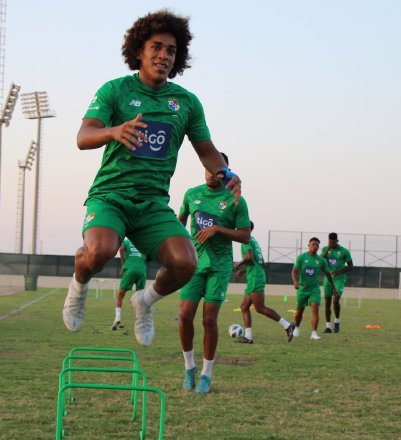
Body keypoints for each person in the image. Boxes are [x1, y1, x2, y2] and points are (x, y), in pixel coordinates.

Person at [62, 10, 241, 348]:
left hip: (153, 204)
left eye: (171, 51)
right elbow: (83, 137)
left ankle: (143, 302)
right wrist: (115, 131)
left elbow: (206, 149)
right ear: (139, 52)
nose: (163, 56)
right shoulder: (115, 90)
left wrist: (226, 173)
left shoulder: (186, 102)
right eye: (156, 47)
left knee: (185, 262)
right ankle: (78, 285)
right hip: (111, 196)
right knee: (100, 250)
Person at [177, 152, 250, 393]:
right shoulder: (191, 194)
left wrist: (218, 229)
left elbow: (244, 235)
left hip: (219, 266)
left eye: (217, 170)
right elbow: (179, 222)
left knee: (209, 319)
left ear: (226, 171)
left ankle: (206, 374)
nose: (211, 173)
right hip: (194, 263)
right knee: (185, 315)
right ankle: (189, 368)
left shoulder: (235, 199)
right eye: (207, 168)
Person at [233, 221, 295, 344]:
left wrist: (238, 264)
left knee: (260, 308)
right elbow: (260, 262)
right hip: (254, 276)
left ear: (246, 229)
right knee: (244, 306)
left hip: (255, 277)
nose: (237, 230)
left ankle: (287, 325)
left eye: (239, 228)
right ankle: (248, 336)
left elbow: (249, 258)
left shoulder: (246, 241)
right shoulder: (254, 241)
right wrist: (244, 271)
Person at [292, 237, 337, 340]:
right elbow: (294, 271)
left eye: (317, 245)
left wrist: (333, 287)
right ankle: (297, 328)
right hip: (302, 289)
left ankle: (314, 333)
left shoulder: (321, 260)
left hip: (314, 289)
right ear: (308, 245)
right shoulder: (301, 257)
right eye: (313, 244)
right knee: (299, 311)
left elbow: (328, 274)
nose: (315, 246)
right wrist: (295, 282)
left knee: (315, 308)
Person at [320, 232, 354, 333]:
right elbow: (321, 260)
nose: (331, 244)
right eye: (329, 241)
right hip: (328, 279)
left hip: (339, 279)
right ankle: (328, 326)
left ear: (337, 241)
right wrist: (328, 248)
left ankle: (337, 322)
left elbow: (351, 266)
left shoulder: (344, 251)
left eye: (333, 242)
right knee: (327, 302)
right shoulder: (325, 249)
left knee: (335, 301)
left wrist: (339, 271)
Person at [112, 238, 147, 330]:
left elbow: (121, 248)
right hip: (142, 270)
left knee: (120, 295)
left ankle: (117, 318)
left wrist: (123, 265)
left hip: (130, 269)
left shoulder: (126, 242)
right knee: (140, 299)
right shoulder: (143, 243)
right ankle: (141, 322)